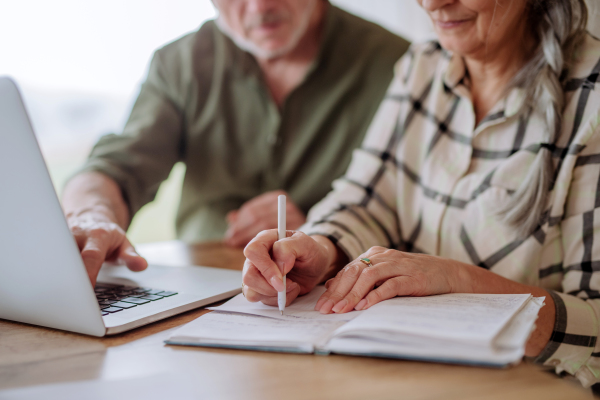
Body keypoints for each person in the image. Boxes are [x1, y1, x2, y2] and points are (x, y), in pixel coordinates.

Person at [242, 0, 600, 387]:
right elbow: (364, 198)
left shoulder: (591, 97)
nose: (432, 3)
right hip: (404, 379)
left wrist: (459, 280)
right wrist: (320, 249)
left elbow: (595, 327)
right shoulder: (422, 63)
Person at [61, 0, 410, 285]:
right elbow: (118, 166)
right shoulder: (180, 63)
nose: (259, 7)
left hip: (329, 291)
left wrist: (319, 228)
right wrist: (91, 215)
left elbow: (411, 217)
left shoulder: (399, 66)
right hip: (195, 289)